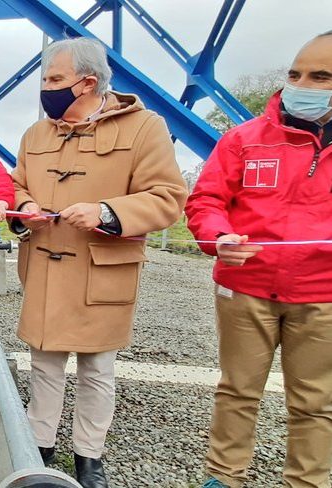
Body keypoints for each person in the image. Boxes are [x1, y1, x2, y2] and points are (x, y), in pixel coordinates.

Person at [10, 37, 187, 487]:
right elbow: (16, 187)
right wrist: (24, 209)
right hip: (47, 269)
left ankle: (89, 456)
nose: (45, 89)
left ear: (86, 83)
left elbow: (167, 198)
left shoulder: (145, 127)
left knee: (96, 370)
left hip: (102, 271)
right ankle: (40, 448)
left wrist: (107, 212)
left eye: (54, 79)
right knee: (45, 366)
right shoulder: (36, 133)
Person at [186, 31, 332, 488]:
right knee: (237, 391)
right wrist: (217, 237)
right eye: (295, 73)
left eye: (320, 76)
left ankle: (307, 483)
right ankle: (223, 479)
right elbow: (205, 200)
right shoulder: (244, 140)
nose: (302, 84)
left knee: (314, 402)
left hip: (322, 297)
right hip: (244, 287)